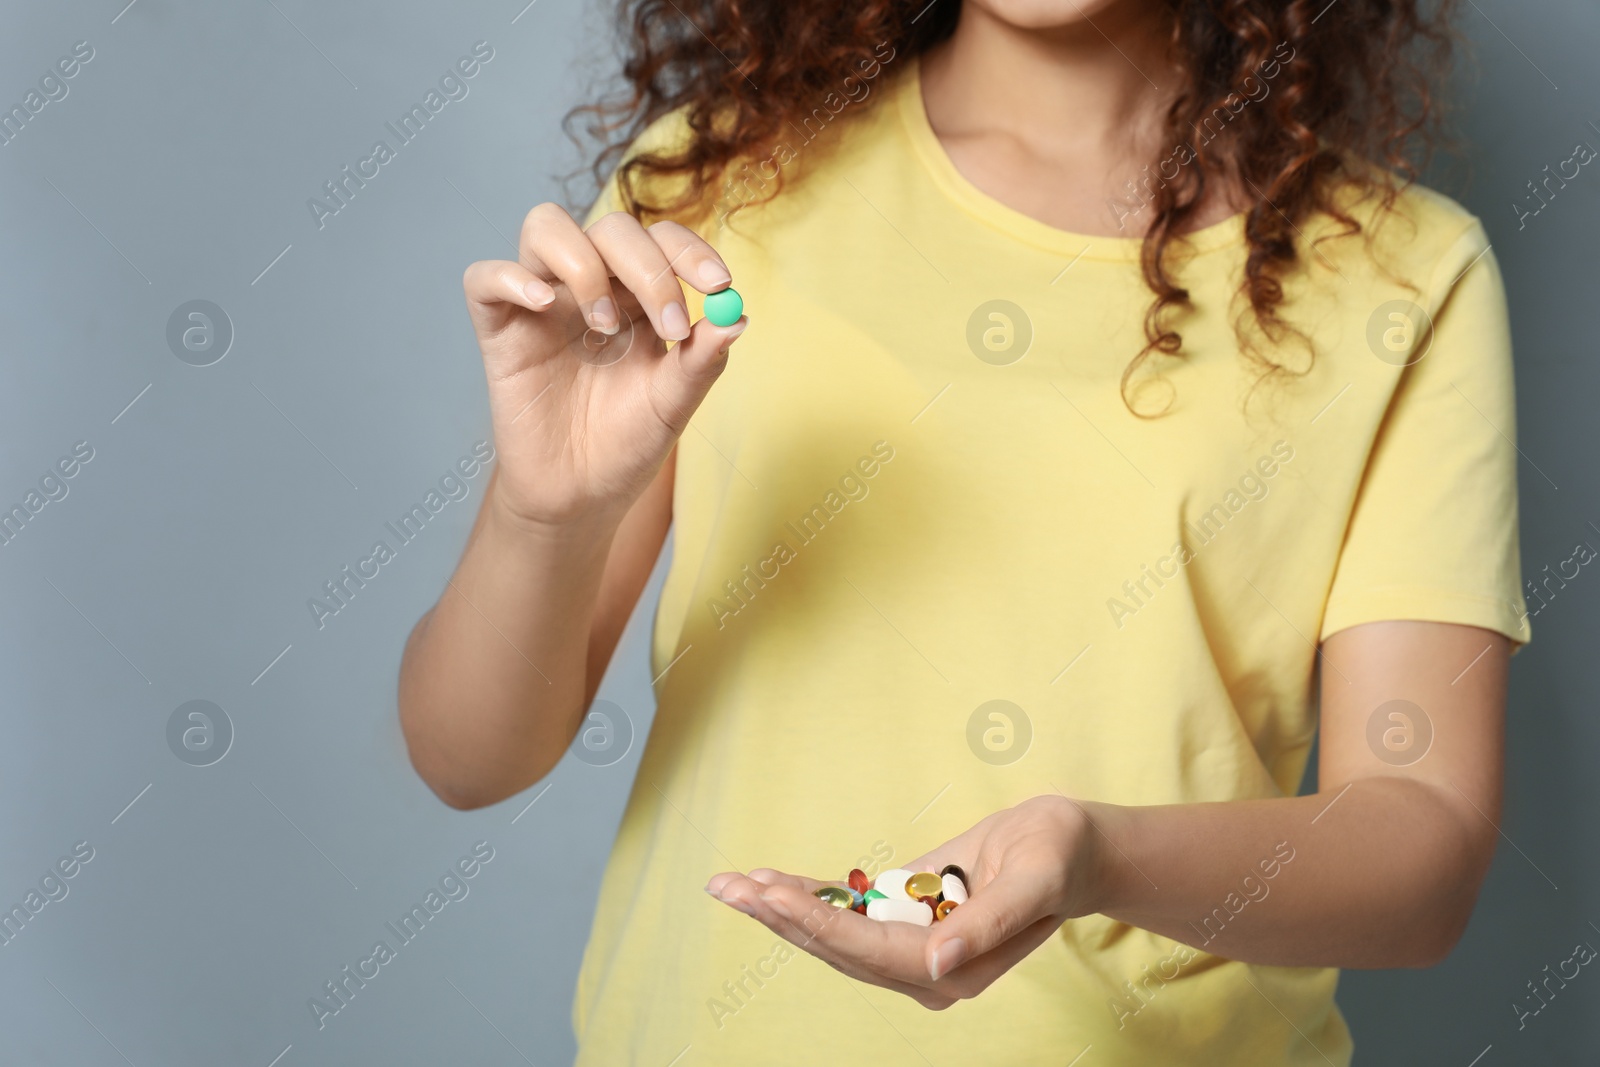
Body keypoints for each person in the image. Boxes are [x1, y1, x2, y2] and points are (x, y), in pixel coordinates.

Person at [398, 0, 1529, 1062]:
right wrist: (541, 513)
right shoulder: (711, 186)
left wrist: (1095, 856)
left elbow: (1419, 846)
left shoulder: (1403, 277)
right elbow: (468, 757)